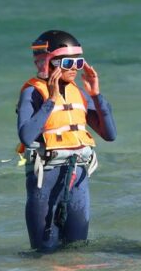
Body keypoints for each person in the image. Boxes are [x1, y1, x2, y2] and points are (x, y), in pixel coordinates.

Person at [16, 30, 116, 252]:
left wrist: (97, 94)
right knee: (45, 255)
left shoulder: (79, 93)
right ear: (50, 62)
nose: (74, 68)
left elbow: (110, 134)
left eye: (79, 62)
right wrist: (51, 100)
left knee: (77, 251)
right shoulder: (33, 92)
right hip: (46, 178)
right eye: (68, 62)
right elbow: (26, 135)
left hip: (77, 175)